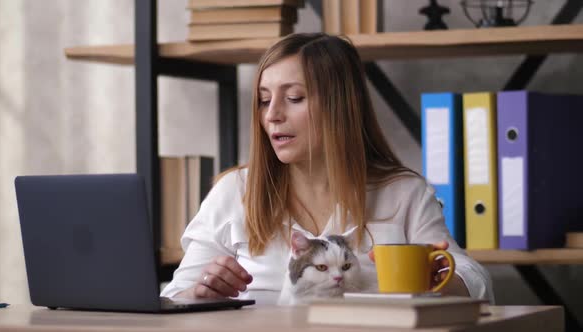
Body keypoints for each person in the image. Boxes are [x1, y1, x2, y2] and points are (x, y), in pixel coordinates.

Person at [160, 33, 494, 305]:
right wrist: (200, 292)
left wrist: (438, 280)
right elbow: (174, 298)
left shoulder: (404, 192)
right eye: (264, 100)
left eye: (294, 98)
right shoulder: (234, 191)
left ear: (340, 108)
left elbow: (475, 281)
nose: (272, 115)